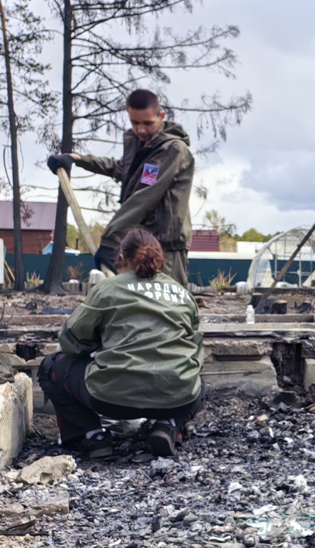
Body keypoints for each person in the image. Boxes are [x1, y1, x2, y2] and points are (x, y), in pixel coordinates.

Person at [38, 228, 204, 459]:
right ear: (159, 259)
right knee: (197, 381)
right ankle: (168, 425)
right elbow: (196, 349)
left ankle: (92, 436)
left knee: (49, 367)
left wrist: (97, 347)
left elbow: (72, 340)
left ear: (121, 259)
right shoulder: (182, 293)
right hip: (177, 396)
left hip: (111, 398)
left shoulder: (107, 288)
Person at [47, 88, 195, 287]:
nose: (141, 129)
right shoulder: (138, 143)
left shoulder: (172, 150)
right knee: (139, 302)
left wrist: (110, 239)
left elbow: (146, 194)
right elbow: (122, 168)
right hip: (140, 239)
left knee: (170, 301)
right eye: (135, 122)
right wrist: (77, 160)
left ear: (161, 116)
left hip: (165, 243)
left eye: (148, 123)